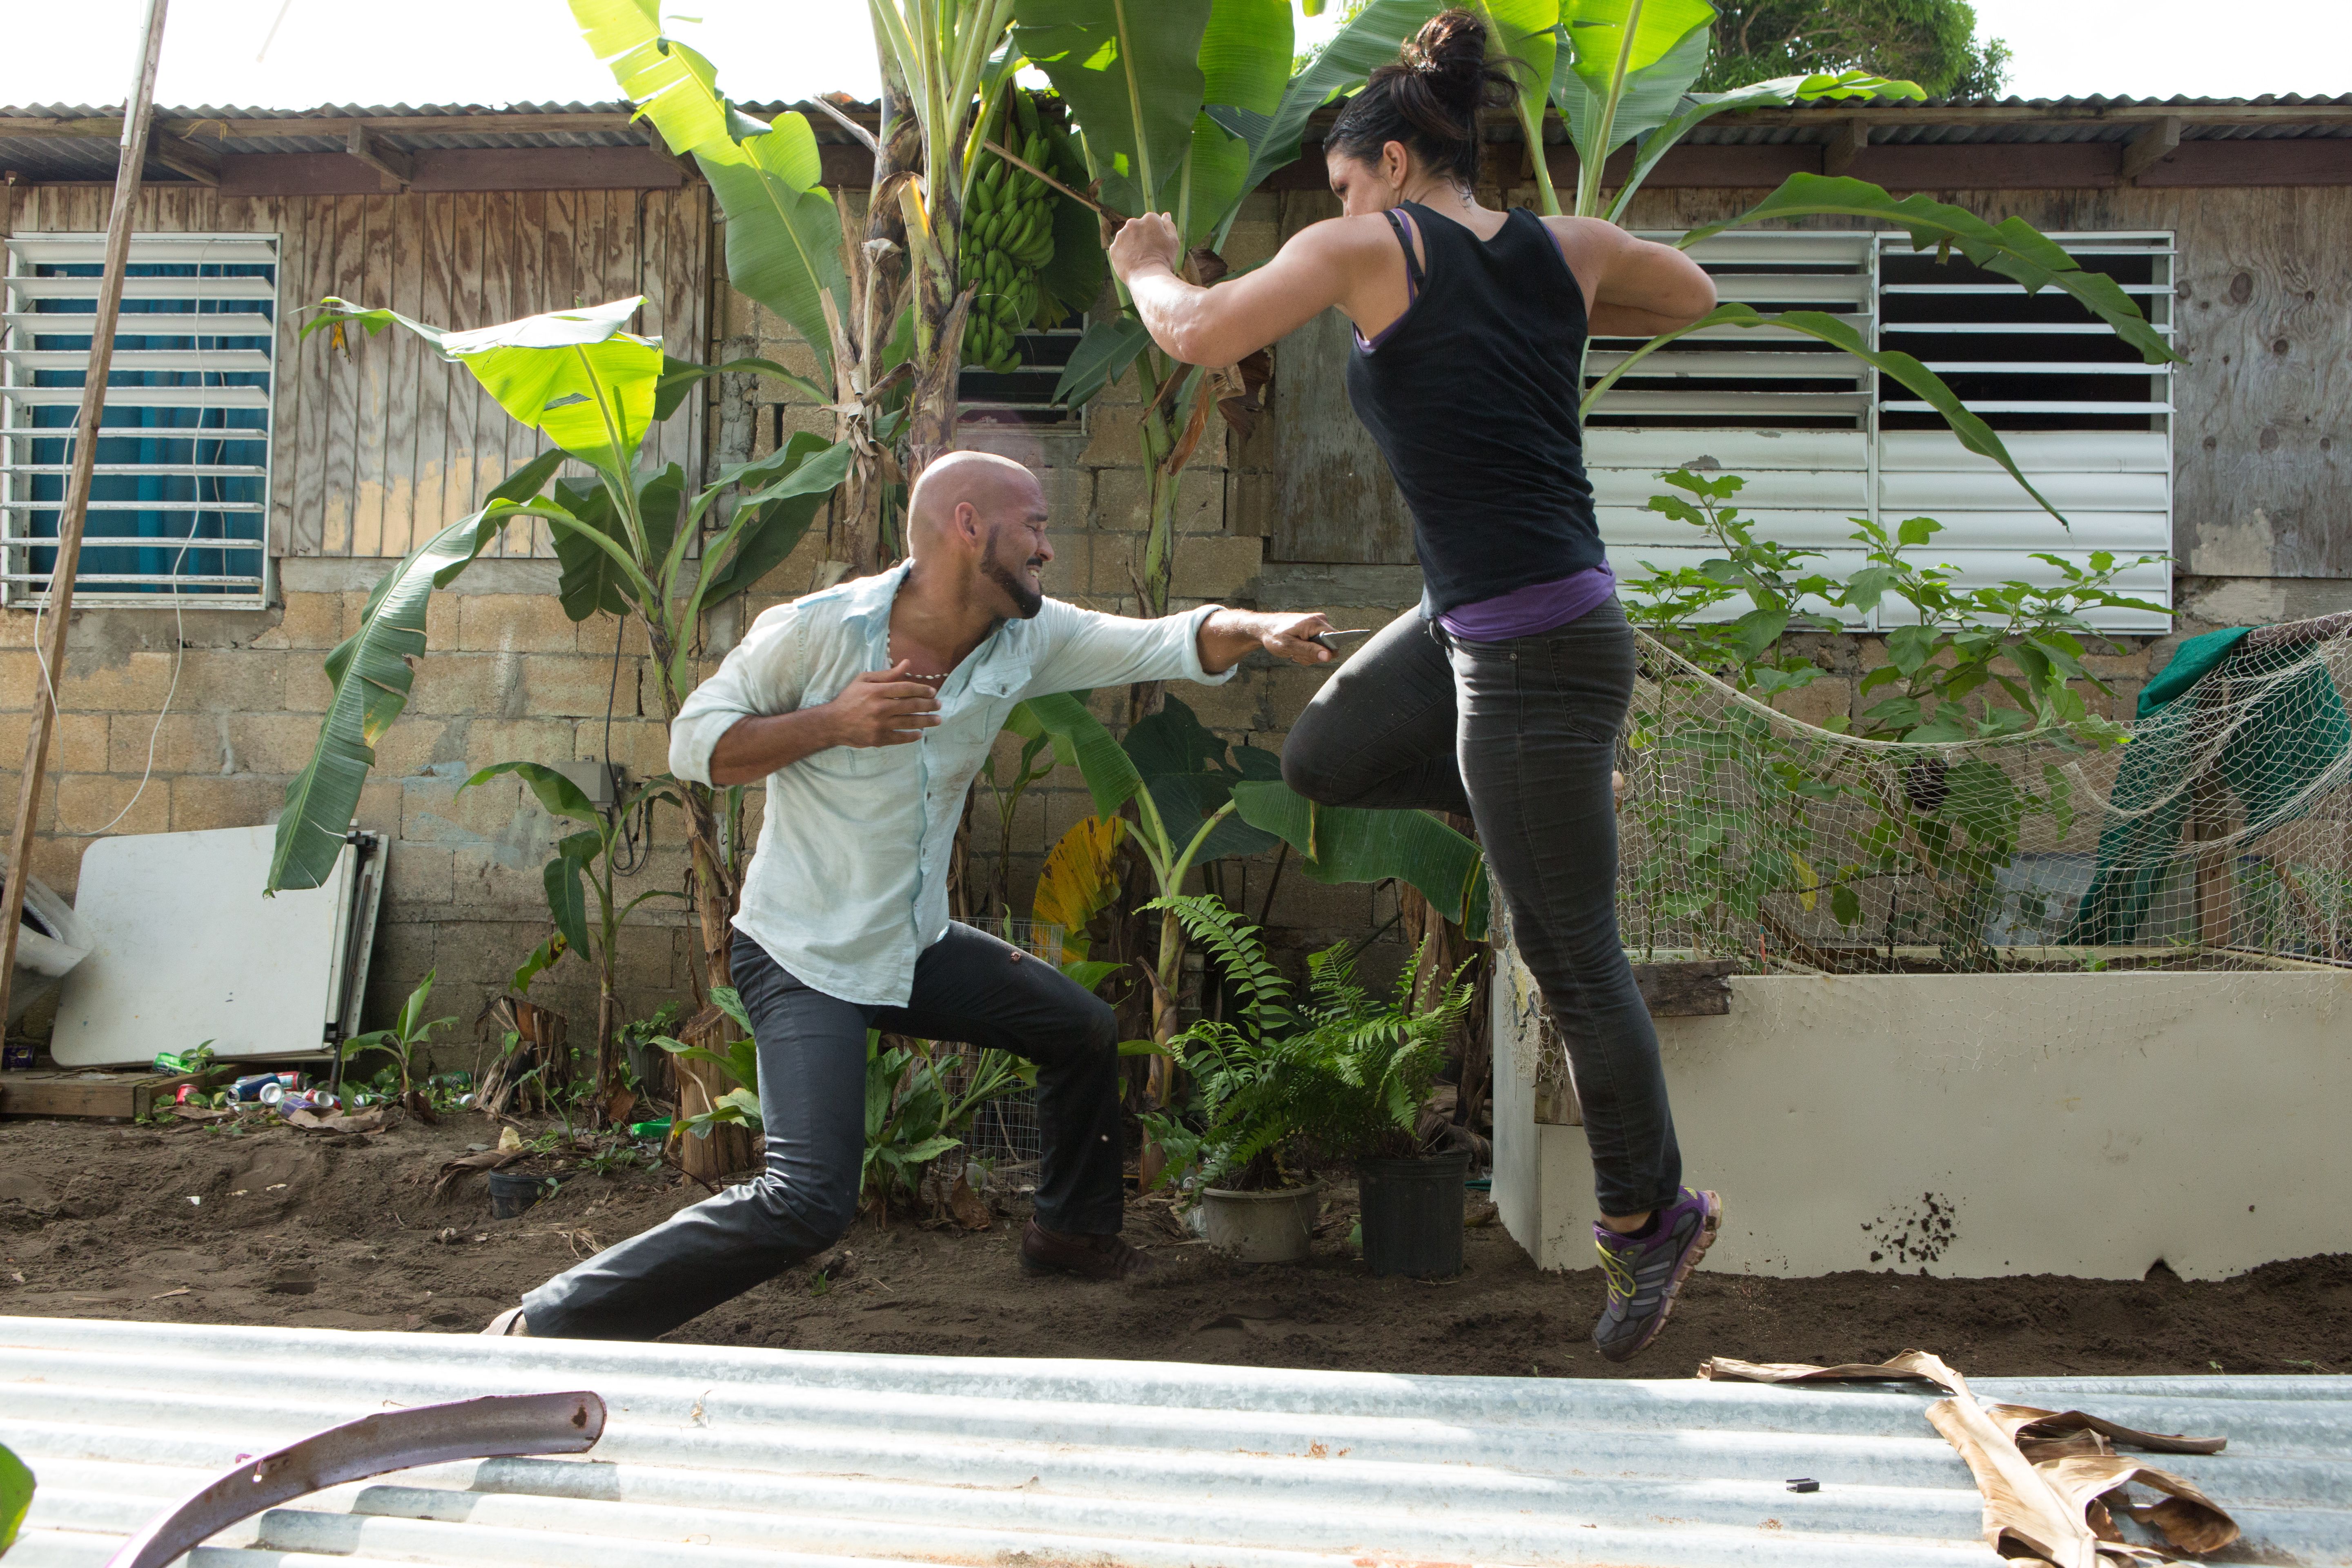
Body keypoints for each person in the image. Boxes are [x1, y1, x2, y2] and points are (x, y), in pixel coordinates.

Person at [1106, 8, 1723, 1363]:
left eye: (1337, 182)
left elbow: (1199, 332)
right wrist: (1547, 288)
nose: (1331, 211)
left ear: (1388, 162)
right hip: (1480, 620)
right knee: (1324, 761)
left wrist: (1145, 265)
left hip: (1531, 649)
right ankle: (1523, 806)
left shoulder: (1365, 246)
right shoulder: (1563, 252)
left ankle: (1650, 1218)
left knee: (1576, 963)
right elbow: (1694, 294)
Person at [485, 450, 1338, 1340]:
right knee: (808, 1202)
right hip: (804, 957)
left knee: (1080, 1029)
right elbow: (694, 747)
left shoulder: (1026, 637)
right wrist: (834, 723)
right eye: (1036, 526)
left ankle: (1071, 1236)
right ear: (969, 526)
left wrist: (1260, 627)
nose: (1049, 547)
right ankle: (548, 1322)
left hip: (915, 942)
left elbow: (1164, 640)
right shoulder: (816, 632)